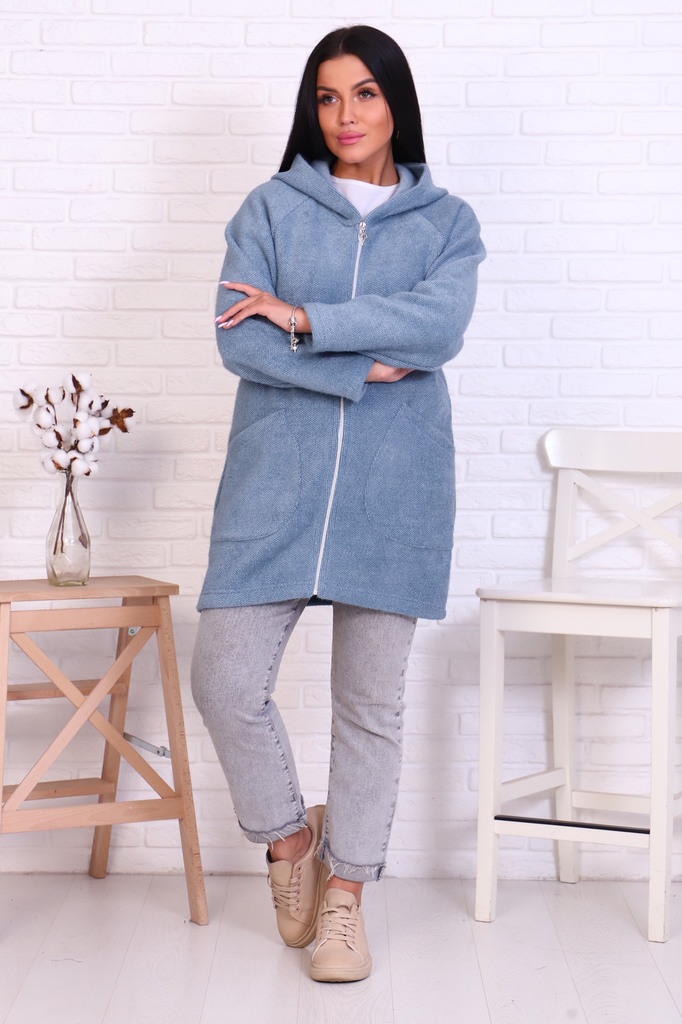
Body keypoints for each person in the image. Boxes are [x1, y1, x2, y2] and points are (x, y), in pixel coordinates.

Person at [191, 24, 485, 983]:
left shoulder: (446, 223)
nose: (346, 115)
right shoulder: (271, 209)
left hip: (396, 489)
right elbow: (239, 339)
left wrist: (307, 318)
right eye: (327, 96)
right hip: (274, 484)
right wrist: (361, 365)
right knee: (225, 680)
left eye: (364, 93)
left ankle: (347, 899)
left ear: (395, 102)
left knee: (370, 708)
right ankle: (291, 845)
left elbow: (437, 326)